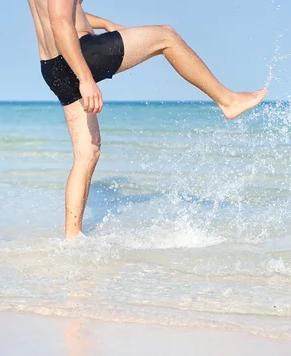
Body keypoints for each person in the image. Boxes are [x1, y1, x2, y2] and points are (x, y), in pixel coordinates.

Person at [27, 0, 268, 239]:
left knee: (86, 153)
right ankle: (228, 100)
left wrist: (105, 23)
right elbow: (60, 22)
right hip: (79, 55)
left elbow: (61, 14)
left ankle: (72, 238)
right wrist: (85, 78)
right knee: (166, 36)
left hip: (53, 67)